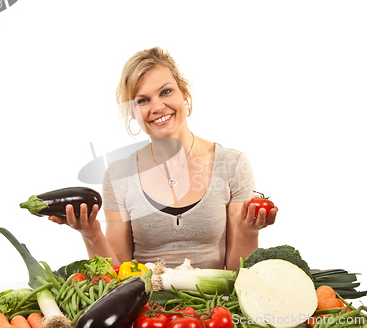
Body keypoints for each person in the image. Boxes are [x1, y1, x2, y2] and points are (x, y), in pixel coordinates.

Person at [49, 46, 278, 270]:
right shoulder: (119, 175)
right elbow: (117, 276)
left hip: (214, 307)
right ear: (133, 113)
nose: (158, 106)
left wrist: (249, 231)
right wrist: (91, 234)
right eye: (143, 100)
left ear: (184, 94)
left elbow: (239, 274)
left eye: (166, 92)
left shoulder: (232, 165)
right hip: (145, 307)